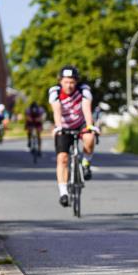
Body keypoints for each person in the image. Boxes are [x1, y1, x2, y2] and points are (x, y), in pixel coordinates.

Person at [49, 66, 98, 207]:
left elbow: (86, 108)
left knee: (89, 137)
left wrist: (90, 126)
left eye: (72, 82)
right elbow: (56, 110)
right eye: (66, 82)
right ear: (60, 81)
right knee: (62, 158)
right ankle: (63, 193)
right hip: (64, 126)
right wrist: (58, 127)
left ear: (76, 82)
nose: (69, 85)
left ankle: (86, 163)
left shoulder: (84, 90)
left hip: (80, 123)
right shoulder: (55, 92)